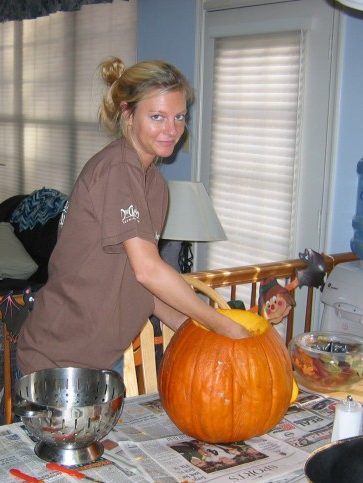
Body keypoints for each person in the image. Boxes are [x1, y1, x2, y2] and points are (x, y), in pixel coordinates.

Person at [16, 57, 249, 375]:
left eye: (179, 116)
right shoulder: (118, 168)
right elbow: (149, 271)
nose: (172, 130)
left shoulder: (154, 184)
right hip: (59, 356)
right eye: (158, 117)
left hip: (101, 356)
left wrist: (191, 329)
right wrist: (224, 325)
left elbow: (141, 285)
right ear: (128, 114)